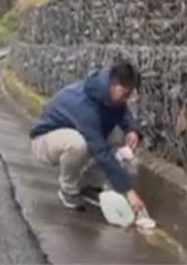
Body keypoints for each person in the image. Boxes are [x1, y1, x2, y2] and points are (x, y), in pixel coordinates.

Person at [29, 60, 148, 215]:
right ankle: (68, 190)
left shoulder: (109, 95)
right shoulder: (85, 106)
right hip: (44, 140)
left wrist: (132, 130)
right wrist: (129, 191)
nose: (127, 99)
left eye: (130, 95)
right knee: (80, 145)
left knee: (118, 135)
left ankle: (86, 183)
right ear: (112, 84)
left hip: (73, 132)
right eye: (125, 94)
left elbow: (123, 112)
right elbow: (100, 151)